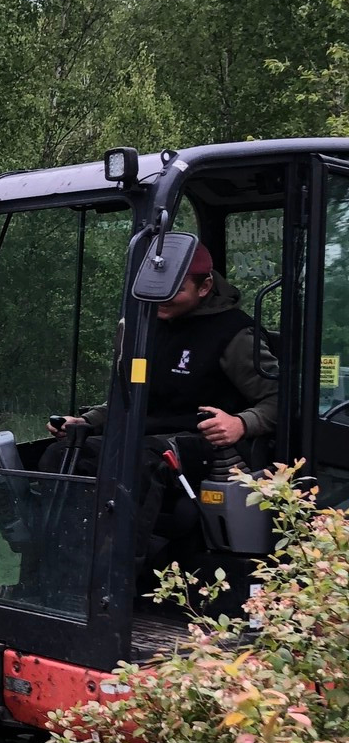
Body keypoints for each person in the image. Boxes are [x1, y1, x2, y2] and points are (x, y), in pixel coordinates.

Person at [48, 244, 278, 580]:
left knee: (136, 464)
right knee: (61, 455)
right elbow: (130, 397)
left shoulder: (234, 334)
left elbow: (280, 400)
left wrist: (242, 423)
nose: (162, 299)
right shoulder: (142, 327)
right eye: (158, 290)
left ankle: (115, 582)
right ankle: (58, 570)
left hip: (200, 442)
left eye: (176, 290)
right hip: (146, 433)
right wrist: (85, 422)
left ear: (205, 287)